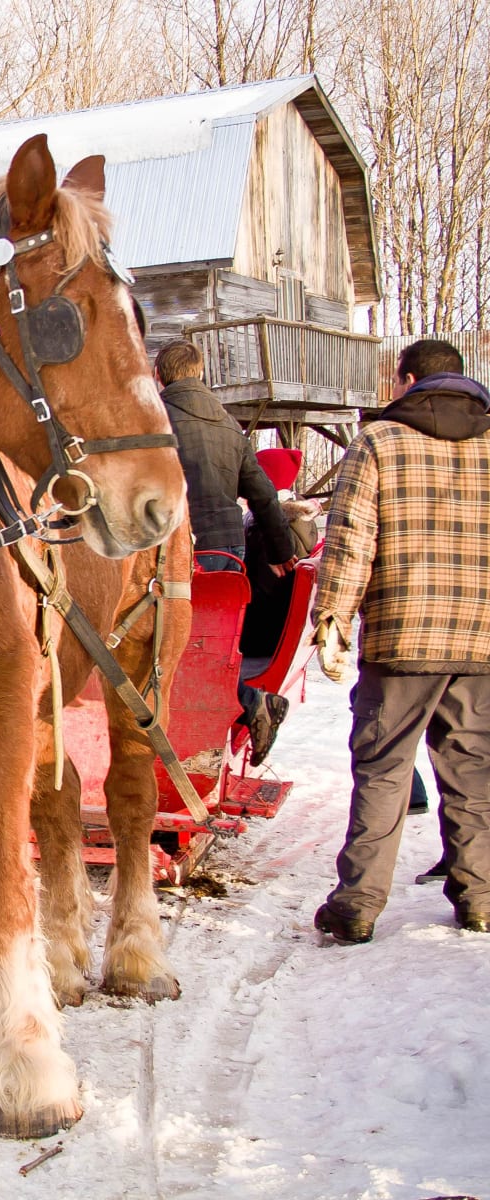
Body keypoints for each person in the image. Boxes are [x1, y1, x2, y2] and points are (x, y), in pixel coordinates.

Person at [312, 338, 490, 942]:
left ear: (406, 378)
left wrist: (332, 617)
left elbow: (350, 539)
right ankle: (480, 897)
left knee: (385, 770)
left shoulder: (379, 442)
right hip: (482, 637)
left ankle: (358, 906)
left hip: (401, 636)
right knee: (472, 769)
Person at [154, 338, 298, 766]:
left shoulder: (157, 416)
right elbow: (264, 495)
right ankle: (229, 714)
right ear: (200, 375)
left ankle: (247, 703)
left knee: (168, 646)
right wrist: (280, 549)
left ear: (160, 376)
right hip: (227, 550)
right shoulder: (227, 424)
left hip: (174, 546)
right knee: (207, 646)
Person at [239, 447, 322, 658]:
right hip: (278, 629)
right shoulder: (300, 520)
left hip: (260, 636)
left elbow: (263, 591)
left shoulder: (271, 529)